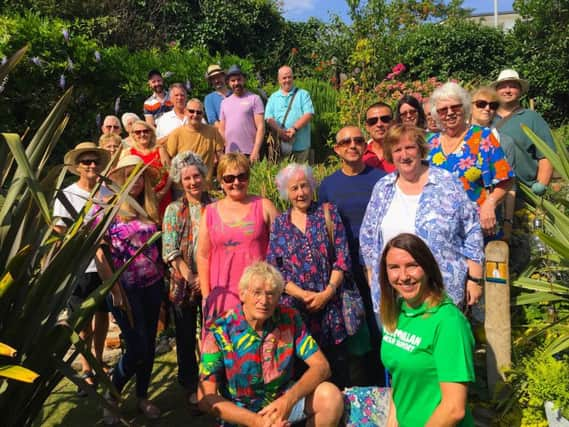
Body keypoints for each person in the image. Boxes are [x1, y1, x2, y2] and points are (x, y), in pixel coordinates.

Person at [198, 261, 344, 427]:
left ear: (278, 297)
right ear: (242, 294)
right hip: (242, 415)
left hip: (282, 403)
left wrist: (287, 401)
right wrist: (259, 422)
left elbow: (322, 366)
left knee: (330, 397)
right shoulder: (219, 330)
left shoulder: (289, 318)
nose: (264, 300)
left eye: (271, 294)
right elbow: (205, 398)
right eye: (257, 293)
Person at [360, 124, 484, 319]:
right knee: (397, 349)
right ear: (391, 155)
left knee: (442, 347)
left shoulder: (447, 182)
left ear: (420, 149)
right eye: (397, 150)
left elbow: (471, 230)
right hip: (393, 295)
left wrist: (475, 279)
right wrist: (372, 277)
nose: (404, 155)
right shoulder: (383, 188)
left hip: (441, 291)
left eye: (409, 147)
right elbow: (367, 236)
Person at [267, 163, 351, 388]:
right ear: (286, 192)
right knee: (303, 375)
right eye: (294, 188)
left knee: (337, 371)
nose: (300, 192)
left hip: (330, 309)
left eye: (304, 186)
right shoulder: (279, 224)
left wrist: (327, 293)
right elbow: (275, 270)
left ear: (312, 186)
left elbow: (342, 259)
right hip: (296, 313)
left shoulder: (327, 213)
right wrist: (303, 294)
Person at [94, 155, 164, 423]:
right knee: (137, 346)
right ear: (120, 178)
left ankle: (143, 396)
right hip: (124, 288)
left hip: (153, 285)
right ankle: (112, 395)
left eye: (140, 175)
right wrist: (113, 288)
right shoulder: (107, 209)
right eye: (129, 174)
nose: (135, 180)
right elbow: (99, 252)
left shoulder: (150, 208)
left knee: (149, 344)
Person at [380, 233, 475, 427]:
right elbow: (400, 379)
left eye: (412, 265)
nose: (404, 276)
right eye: (394, 268)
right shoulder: (396, 313)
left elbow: (454, 409)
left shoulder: (448, 322)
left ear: (428, 268)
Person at [318, 126, 386, 386]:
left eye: (358, 140)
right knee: (354, 328)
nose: (352, 145)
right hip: (345, 268)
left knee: (380, 322)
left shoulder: (380, 179)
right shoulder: (328, 186)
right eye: (345, 141)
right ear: (337, 149)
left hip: (378, 264)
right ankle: (357, 387)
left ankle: (384, 383)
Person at [54, 142, 111, 396]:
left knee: (102, 315)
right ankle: (87, 368)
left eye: (95, 161)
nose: (91, 166)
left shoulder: (106, 191)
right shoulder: (67, 194)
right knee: (82, 322)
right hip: (79, 266)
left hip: (105, 264)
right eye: (86, 162)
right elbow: (59, 230)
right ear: (77, 166)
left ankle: (99, 360)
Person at [197, 153, 278, 321]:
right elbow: (203, 256)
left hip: (259, 295)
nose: (236, 182)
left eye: (242, 176)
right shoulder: (210, 212)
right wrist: (206, 295)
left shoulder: (264, 206)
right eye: (229, 178)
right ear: (220, 181)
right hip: (223, 294)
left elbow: (283, 248)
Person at [428, 82, 514, 239]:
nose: (450, 113)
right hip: (440, 232)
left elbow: (505, 178)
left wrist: (490, 203)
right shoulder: (430, 144)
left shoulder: (482, 137)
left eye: (455, 107)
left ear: (465, 108)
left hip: (476, 228)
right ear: (436, 114)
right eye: (443, 110)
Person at [162, 152, 213, 411]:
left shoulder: (215, 206)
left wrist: (204, 278)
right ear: (180, 182)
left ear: (204, 178)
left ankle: (212, 383)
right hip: (183, 283)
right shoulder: (173, 210)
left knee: (212, 334)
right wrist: (190, 275)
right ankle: (190, 384)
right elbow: (170, 250)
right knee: (184, 336)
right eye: (187, 178)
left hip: (212, 281)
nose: (193, 182)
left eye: (196, 176)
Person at [492, 69, 555, 194]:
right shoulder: (486, 117)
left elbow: (546, 156)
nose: (507, 90)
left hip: (525, 194)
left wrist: (540, 187)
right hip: (491, 193)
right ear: (496, 91)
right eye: (503, 86)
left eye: (513, 86)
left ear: (520, 91)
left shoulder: (532, 118)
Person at [470, 86, 517, 239]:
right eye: (481, 104)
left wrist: (508, 223)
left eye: (493, 105)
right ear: (470, 106)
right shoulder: (455, 137)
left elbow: (510, 184)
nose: (487, 108)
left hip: (490, 216)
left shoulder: (505, 142)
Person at [165, 98, 225, 188]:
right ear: (185, 112)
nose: (195, 115)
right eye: (191, 111)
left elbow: (221, 158)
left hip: (205, 186)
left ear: (203, 114)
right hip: (182, 187)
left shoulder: (213, 132)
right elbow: (168, 161)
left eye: (199, 112)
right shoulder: (176, 134)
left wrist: (223, 179)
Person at [265, 65, 315, 163]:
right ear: (279, 80)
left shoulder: (303, 94)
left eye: (289, 77)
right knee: (281, 176)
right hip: (280, 147)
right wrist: (280, 132)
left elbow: (309, 114)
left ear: (293, 78)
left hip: (301, 145)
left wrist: (294, 128)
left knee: (301, 175)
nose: (287, 80)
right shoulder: (273, 97)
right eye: (284, 78)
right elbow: (268, 118)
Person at [125, 120, 172, 218]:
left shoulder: (160, 150)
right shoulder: (129, 153)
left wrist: (162, 193)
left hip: (162, 196)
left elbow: (171, 174)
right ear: (133, 135)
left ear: (151, 133)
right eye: (138, 132)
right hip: (140, 199)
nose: (142, 134)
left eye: (146, 131)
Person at [219, 65, 265, 162]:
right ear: (228, 83)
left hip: (249, 152)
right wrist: (223, 150)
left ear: (244, 80)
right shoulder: (224, 102)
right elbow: (222, 129)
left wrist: (256, 150)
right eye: (233, 81)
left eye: (239, 80)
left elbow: (261, 127)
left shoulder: (254, 99)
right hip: (230, 153)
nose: (236, 83)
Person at [363, 102, 396, 173]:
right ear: (367, 127)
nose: (379, 124)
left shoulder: (403, 152)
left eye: (385, 119)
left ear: (393, 123)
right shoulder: (359, 154)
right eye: (373, 121)